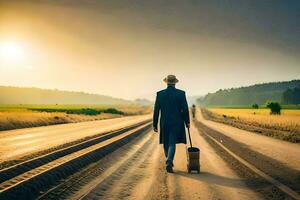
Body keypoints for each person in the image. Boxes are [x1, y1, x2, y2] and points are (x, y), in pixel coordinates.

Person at [153, 75, 190, 173]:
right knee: (172, 142)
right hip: (177, 121)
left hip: (164, 121)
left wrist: (154, 124)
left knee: (166, 142)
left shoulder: (160, 94)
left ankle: (169, 159)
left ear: (166, 82)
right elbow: (185, 109)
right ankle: (169, 160)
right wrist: (187, 122)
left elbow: (156, 110)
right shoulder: (181, 94)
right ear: (175, 82)